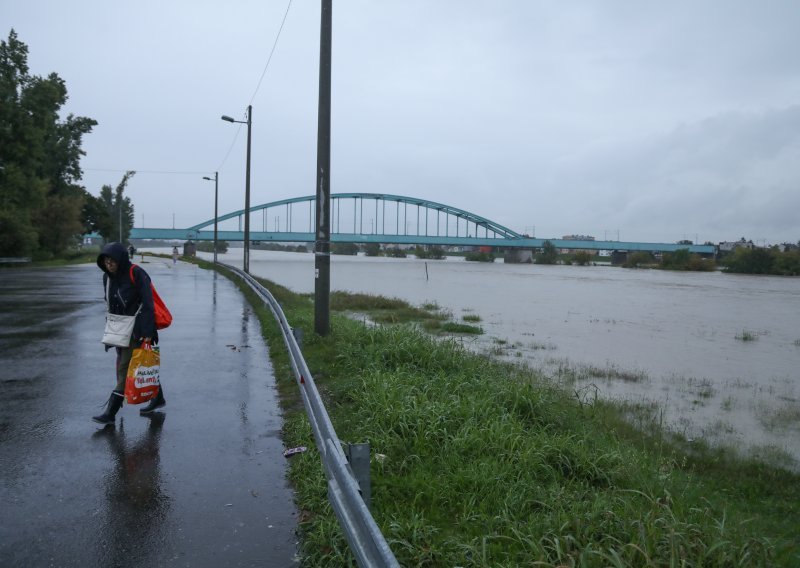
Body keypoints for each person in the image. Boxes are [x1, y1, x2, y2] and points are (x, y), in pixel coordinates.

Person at [93, 242, 165, 424]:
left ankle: (110, 413)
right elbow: (110, 304)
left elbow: (148, 304)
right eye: (106, 261)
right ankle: (158, 398)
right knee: (140, 366)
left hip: (138, 329)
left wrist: (148, 332)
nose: (109, 265)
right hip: (119, 329)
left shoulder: (137, 273)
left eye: (112, 261)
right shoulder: (107, 278)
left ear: (121, 259)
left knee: (125, 367)